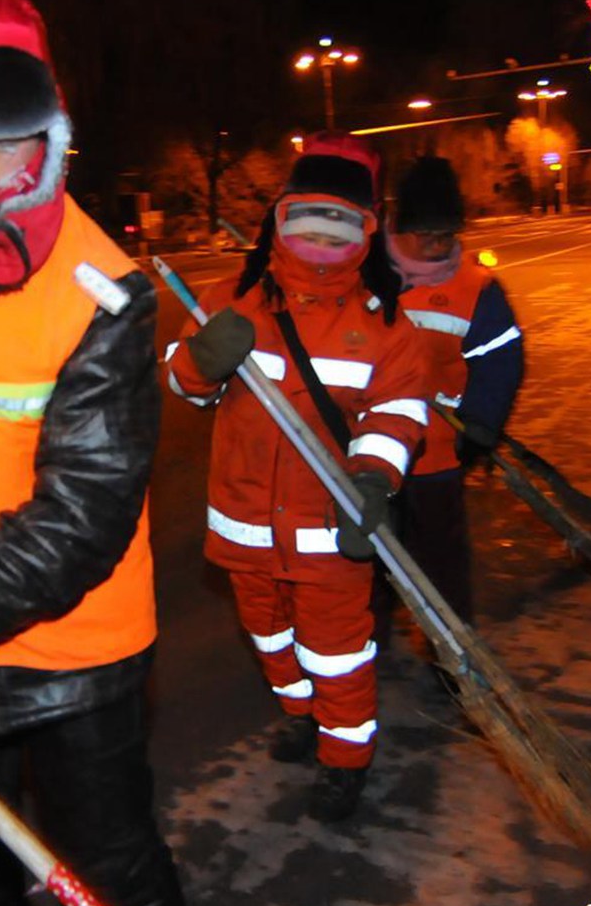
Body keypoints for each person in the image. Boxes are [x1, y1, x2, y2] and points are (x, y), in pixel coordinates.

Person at [0, 0, 200, 906]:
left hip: (77, 655)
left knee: (105, 881)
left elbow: (83, 519)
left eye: (6, 149)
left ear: (51, 139)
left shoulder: (105, 293)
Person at [167, 132, 428, 822]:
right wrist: (200, 361)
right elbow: (183, 386)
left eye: (339, 223)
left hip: (328, 529)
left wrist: (373, 480)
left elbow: (398, 413)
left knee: (336, 650)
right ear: (280, 219)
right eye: (305, 219)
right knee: (269, 635)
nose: (319, 238)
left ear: (366, 233)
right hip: (245, 524)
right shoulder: (235, 296)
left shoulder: (384, 322)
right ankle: (299, 713)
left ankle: (346, 761)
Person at [384, 155, 525, 625]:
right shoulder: (363, 276)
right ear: (398, 227)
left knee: (440, 557)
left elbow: (501, 359)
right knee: (368, 555)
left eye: (445, 235)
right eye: (425, 234)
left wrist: (482, 421)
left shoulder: (476, 289)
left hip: (436, 453)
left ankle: (451, 654)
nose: (436, 246)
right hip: (362, 451)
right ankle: (368, 640)